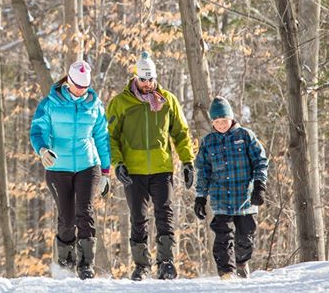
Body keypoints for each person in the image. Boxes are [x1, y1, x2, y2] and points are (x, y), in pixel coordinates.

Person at [106, 51, 195, 281]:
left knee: (165, 214)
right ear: (136, 77)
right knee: (138, 217)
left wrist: (187, 162)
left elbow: (181, 133)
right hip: (133, 171)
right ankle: (141, 265)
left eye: (150, 79)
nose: (147, 84)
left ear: (155, 78)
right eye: (143, 80)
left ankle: (166, 263)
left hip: (162, 167)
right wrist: (117, 163)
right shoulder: (121, 102)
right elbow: (110, 137)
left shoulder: (167, 100)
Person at [29, 59, 111, 280]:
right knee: (66, 219)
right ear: (68, 81)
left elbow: (102, 137)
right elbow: (37, 130)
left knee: (85, 213)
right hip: (58, 167)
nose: (81, 91)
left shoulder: (94, 104)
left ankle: (86, 266)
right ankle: (65, 266)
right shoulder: (50, 103)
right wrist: (43, 150)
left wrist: (105, 171)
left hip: (87, 165)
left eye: (85, 87)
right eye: (78, 86)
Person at [193, 96, 269, 280]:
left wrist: (260, 185)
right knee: (222, 237)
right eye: (217, 121)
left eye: (224, 120)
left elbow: (260, 161)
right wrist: (200, 197)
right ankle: (226, 272)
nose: (220, 125)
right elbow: (203, 171)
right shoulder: (208, 142)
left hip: (244, 198)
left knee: (245, 238)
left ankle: (241, 262)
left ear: (231, 118)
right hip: (221, 199)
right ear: (212, 122)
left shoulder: (245, 136)